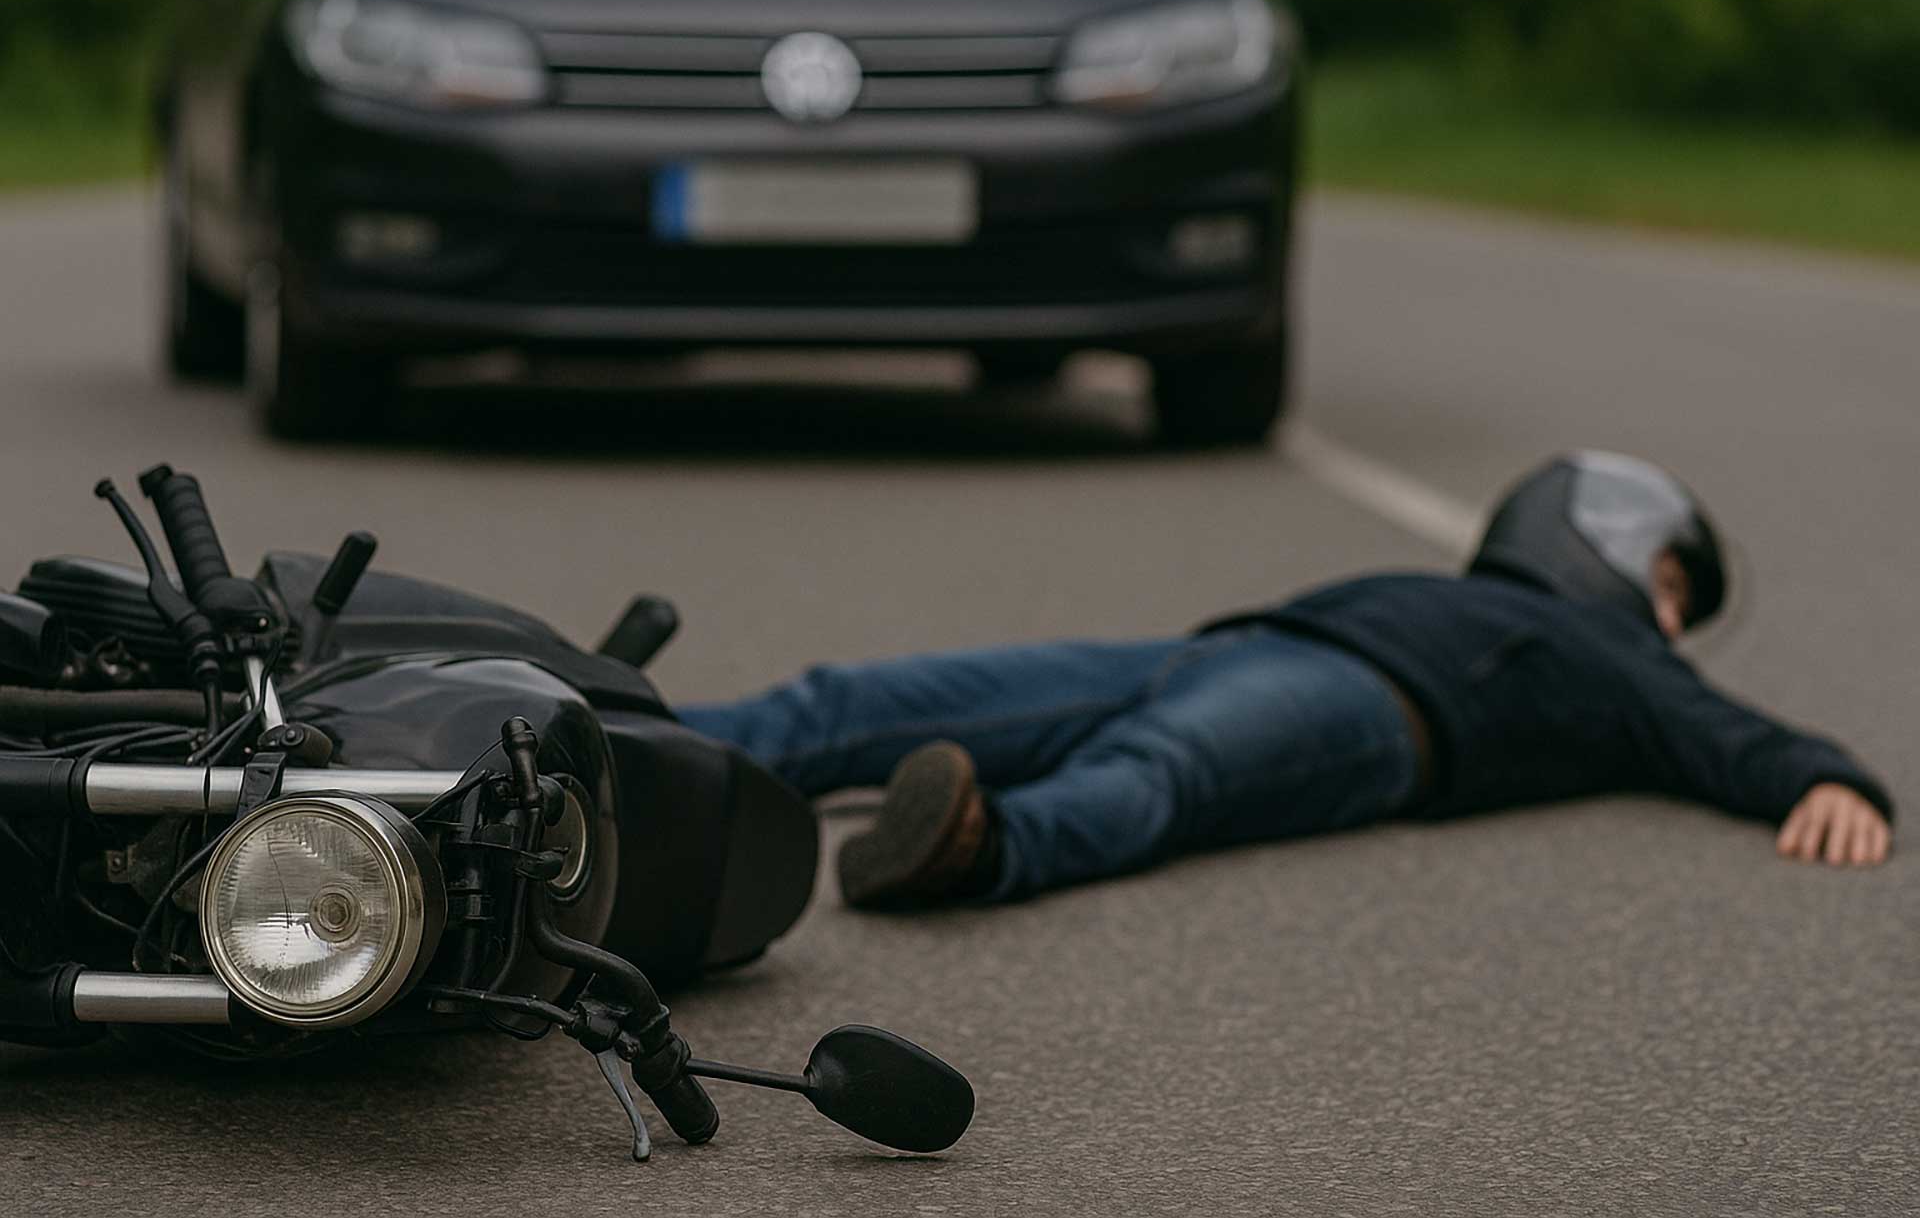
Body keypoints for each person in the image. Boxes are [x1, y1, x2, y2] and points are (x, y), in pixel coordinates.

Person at [680, 452, 1895, 909]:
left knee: (1155, 772)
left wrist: (1833, 778)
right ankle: (637, 740)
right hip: (1219, 647)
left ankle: (980, 847)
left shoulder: (1623, 665)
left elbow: (1729, 734)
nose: (1670, 624)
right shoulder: (1491, 597)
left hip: (1376, 714)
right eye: (1673, 587)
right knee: (876, 696)